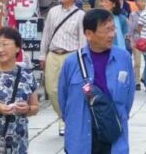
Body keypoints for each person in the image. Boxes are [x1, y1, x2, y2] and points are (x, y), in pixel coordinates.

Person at [58, 9, 135, 154]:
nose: (112, 35)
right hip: (81, 135)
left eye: (113, 29)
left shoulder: (123, 58)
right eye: (106, 30)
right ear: (89, 34)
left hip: (112, 132)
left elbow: (128, 99)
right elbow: (63, 99)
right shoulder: (72, 62)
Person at [39, 0, 85, 137]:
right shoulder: (52, 12)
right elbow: (46, 34)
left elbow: (82, 40)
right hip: (53, 54)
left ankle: (64, 121)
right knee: (51, 89)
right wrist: (42, 55)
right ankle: (64, 116)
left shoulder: (80, 15)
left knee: (68, 89)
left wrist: (82, 60)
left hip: (71, 55)